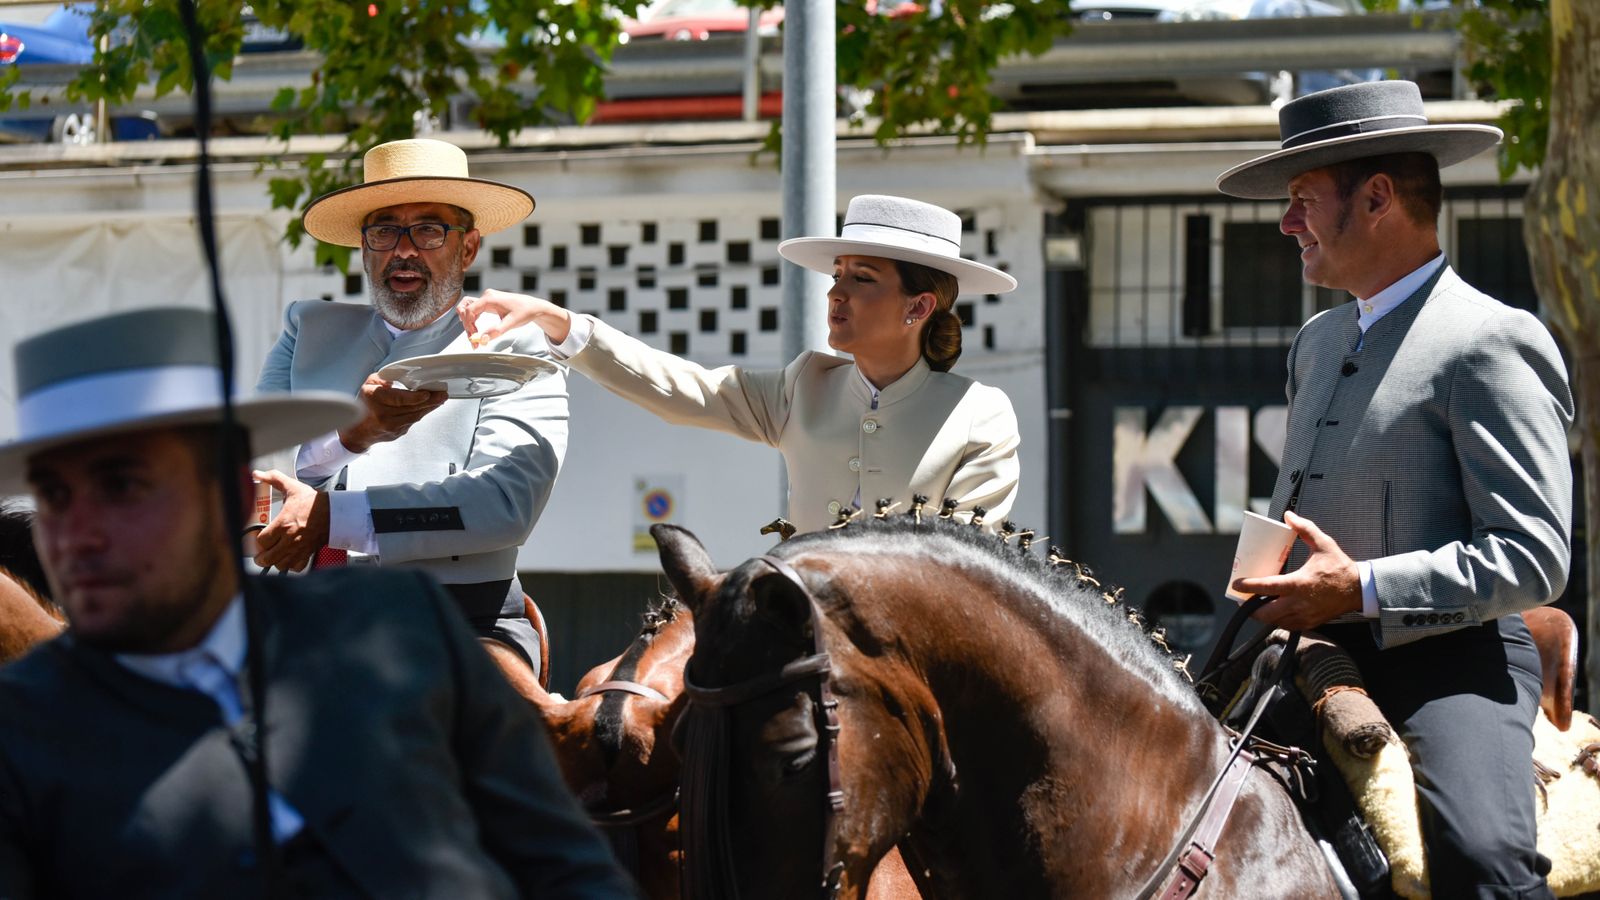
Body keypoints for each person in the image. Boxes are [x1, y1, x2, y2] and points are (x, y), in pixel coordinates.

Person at [0, 306, 635, 898]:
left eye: (121, 486)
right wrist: (342, 446)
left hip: (478, 615)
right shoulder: (22, 730)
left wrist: (338, 514)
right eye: (53, 494)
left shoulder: (399, 635)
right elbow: (294, 470)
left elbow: (567, 872)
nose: (76, 533)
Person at [1220, 81, 1573, 898]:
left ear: (1377, 197)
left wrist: (1361, 589)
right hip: (1300, 651)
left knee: (1483, 859)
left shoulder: (1493, 340)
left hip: (1454, 659)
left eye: (1303, 199)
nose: (1285, 223)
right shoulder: (1315, 341)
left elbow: (1535, 557)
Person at [460, 194, 1022, 534]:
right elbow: (683, 389)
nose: (836, 293)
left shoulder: (980, 414)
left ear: (919, 307)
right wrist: (560, 321)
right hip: (797, 635)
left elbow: (963, 561)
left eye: (863, 278)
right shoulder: (806, 384)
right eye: (837, 275)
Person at [255, 138, 568, 676]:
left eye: (428, 229)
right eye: (385, 230)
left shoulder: (513, 346)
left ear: (467, 249)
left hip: (460, 620)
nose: (404, 249)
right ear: (364, 246)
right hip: (306, 610)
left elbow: (504, 502)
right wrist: (352, 436)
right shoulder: (307, 328)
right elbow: (259, 480)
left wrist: (333, 517)